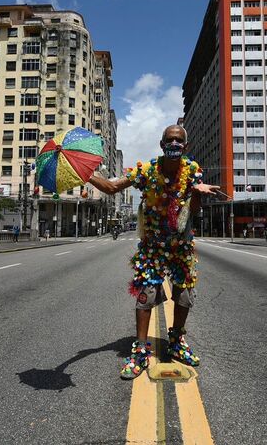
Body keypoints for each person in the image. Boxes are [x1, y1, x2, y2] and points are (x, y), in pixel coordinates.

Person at [89, 125, 219, 379]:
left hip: (181, 246)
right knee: (146, 295)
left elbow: (192, 211)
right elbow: (113, 187)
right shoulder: (147, 170)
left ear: (186, 146)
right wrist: (84, 174)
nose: (174, 144)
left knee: (184, 296)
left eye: (178, 140)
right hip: (152, 246)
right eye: (169, 140)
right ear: (161, 145)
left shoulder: (193, 171)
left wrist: (195, 192)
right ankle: (140, 351)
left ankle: (176, 341)